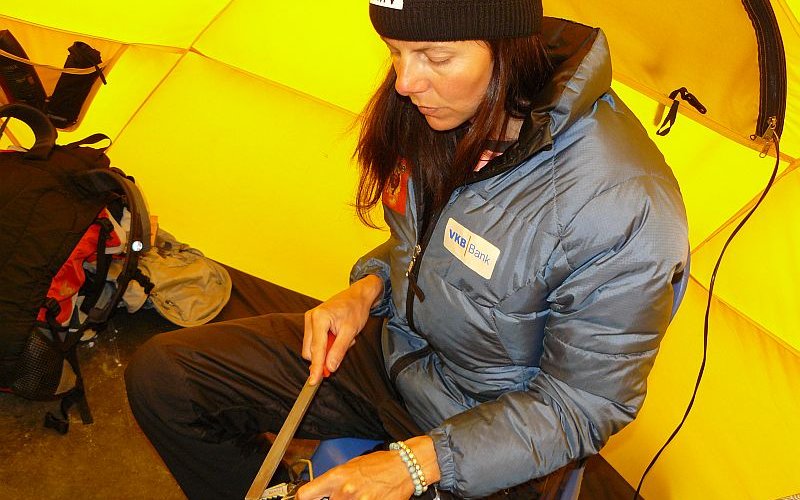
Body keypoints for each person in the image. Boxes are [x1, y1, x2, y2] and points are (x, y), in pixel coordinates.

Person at [125, 1, 689, 499]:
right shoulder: (451, 112)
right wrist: (368, 287)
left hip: (495, 427)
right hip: (400, 357)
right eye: (395, 53)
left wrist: (413, 466)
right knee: (166, 377)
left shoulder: (622, 202)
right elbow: (426, 242)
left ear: (509, 49)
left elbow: (581, 407)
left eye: (434, 58)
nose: (404, 82)